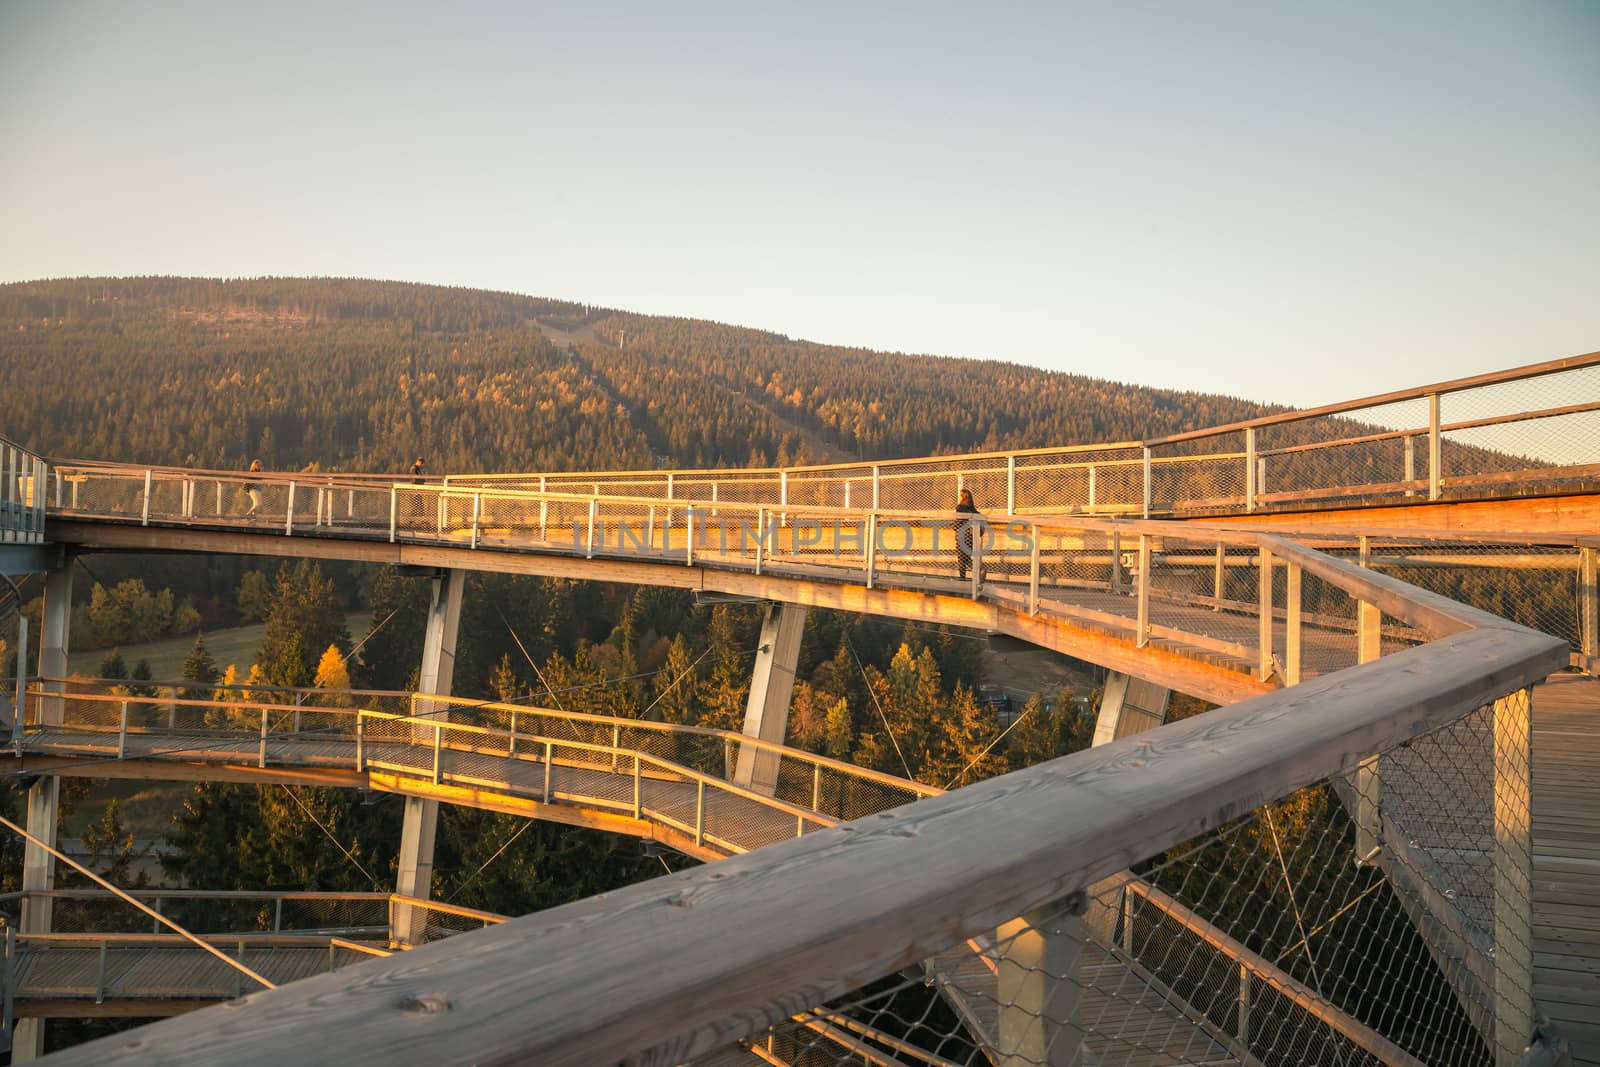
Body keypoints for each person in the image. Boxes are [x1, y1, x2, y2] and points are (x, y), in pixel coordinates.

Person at [954, 488, 983, 583]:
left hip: (962, 536)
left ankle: (963, 577)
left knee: (962, 557)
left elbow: (958, 523)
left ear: (962, 497)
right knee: (966, 557)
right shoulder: (973, 509)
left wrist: (953, 526)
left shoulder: (960, 508)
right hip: (971, 537)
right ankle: (979, 571)